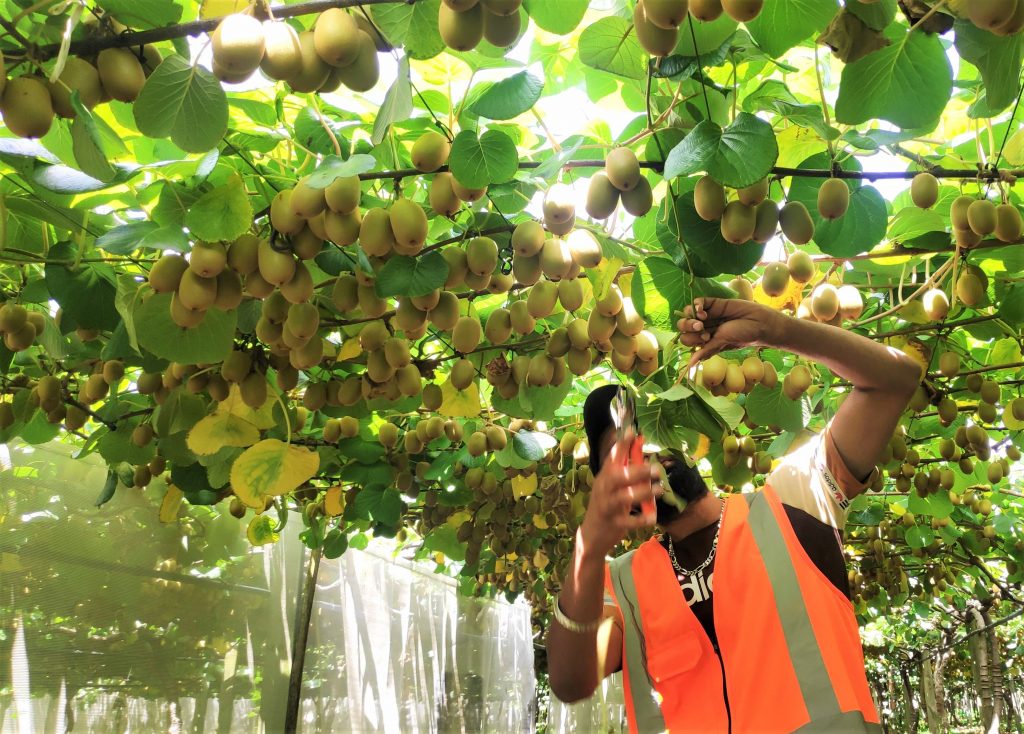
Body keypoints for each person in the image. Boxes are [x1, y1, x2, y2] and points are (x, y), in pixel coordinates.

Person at [546, 296, 922, 733]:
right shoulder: (618, 584)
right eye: (624, 454)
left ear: (690, 436)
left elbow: (896, 379)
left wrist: (779, 331)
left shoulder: (794, 499)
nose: (646, 454)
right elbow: (571, 682)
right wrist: (588, 548)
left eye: (652, 431)